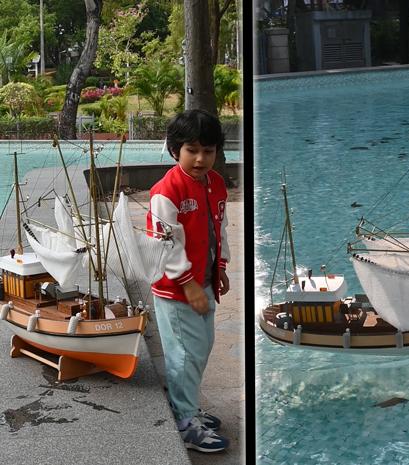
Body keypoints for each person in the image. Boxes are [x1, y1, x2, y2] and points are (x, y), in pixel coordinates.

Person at [147, 109, 231, 453]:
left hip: (203, 281)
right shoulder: (166, 191)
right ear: (175, 150)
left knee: (201, 347)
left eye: (208, 150)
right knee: (184, 353)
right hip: (176, 290)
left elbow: (219, 230)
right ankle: (184, 422)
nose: (200, 158)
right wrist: (190, 285)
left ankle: (188, 406)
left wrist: (220, 267)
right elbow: (164, 245)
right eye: (191, 150)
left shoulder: (216, 184)